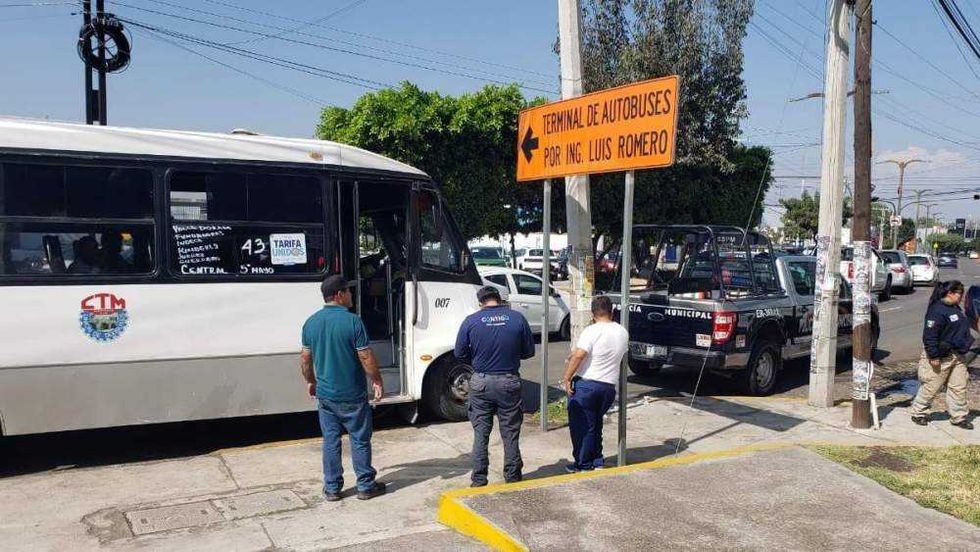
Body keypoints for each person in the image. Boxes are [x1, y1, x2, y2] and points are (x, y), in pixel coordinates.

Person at [300, 274, 387, 501]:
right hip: (352, 395)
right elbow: (365, 356)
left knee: (330, 440)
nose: (350, 295)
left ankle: (332, 488)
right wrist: (376, 380)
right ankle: (365, 486)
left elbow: (305, 358)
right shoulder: (353, 321)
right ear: (339, 295)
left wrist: (311, 381)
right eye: (348, 291)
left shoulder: (311, 322)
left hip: (326, 395)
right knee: (359, 439)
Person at [454, 285, 535, 487]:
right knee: (510, 432)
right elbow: (528, 352)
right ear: (499, 299)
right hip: (508, 381)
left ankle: (479, 479)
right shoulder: (517, 318)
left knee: (481, 432)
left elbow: (459, 354)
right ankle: (513, 475)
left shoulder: (471, 321)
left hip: (480, 382)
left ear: (480, 302)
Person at [559, 295, 629, 472]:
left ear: (592, 314)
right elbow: (601, 351)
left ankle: (583, 464)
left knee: (582, 427)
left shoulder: (591, 331)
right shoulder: (622, 331)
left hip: (587, 386)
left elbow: (580, 355)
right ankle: (597, 460)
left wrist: (567, 378)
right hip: (608, 388)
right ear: (611, 312)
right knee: (595, 425)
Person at [911, 280, 974, 430]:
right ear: (950, 293)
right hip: (940, 356)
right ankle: (919, 412)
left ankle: (958, 416)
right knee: (932, 386)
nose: (962, 296)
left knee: (959, 386)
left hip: (957, 355)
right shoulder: (937, 310)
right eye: (960, 293)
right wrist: (933, 356)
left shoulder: (954, 308)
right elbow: (929, 335)